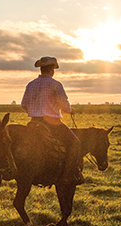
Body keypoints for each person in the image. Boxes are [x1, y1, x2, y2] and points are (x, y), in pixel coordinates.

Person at [20, 56, 84, 185]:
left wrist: (34, 113)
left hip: (33, 122)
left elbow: (24, 105)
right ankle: (68, 175)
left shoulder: (31, 84)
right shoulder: (55, 85)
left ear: (41, 69)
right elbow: (64, 106)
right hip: (53, 124)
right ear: (52, 70)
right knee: (75, 143)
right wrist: (71, 110)